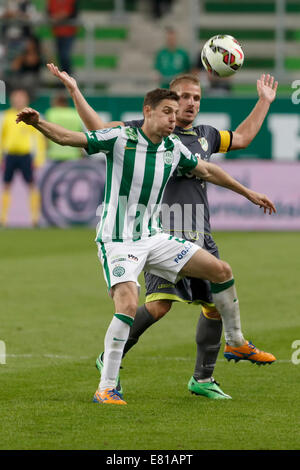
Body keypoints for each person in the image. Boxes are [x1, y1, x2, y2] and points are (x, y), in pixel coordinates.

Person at [16, 89, 276, 405]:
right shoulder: (121, 137)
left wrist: (248, 193)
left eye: (175, 112)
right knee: (128, 303)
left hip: (152, 238)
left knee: (221, 271)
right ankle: (106, 387)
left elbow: (207, 170)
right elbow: (73, 138)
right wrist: (39, 123)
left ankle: (235, 341)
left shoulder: (173, 148)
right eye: (167, 111)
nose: (173, 118)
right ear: (148, 111)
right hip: (117, 239)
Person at [0, 88, 46, 227]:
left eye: (21, 97)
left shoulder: (32, 116)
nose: (18, 100)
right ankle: (3, 219)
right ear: (12, 99)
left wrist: (39, 158)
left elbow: (39, 139)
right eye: (16, 97)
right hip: (10, 155)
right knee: (6, 186)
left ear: (26, 100)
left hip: (26, 156)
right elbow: (1, 138)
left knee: (32, 186)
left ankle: (35, 219)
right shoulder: (5, 116)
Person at [45, 92, 83, 162]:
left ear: (56, 102)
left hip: (54, 155)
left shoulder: (51, 113)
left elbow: (46, 135)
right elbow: (81, 134)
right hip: (73, 155)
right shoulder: (75, 114)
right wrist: (81, 153)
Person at [47, 0, 79, 76]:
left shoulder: (71, 1)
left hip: (69, 32)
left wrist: (63, 16)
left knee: (65, 56)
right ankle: (64, 77)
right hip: (57, 32)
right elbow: (49, 13)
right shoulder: (52, 1)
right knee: (61, 57)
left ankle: (69, 76)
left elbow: (74, 13)